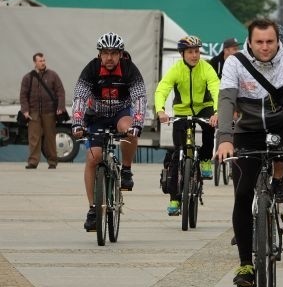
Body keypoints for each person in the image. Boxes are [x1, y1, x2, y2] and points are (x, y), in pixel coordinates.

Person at [216, 18, 283, 287]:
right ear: (249, 41)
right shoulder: (235, 62)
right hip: (247, 130)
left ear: (277, 40)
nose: (265, 47)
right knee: (243, 193)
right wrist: (224, 139)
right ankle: (246, 264)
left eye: (270, 41)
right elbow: (226, 100)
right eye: (259, 42)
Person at [71, 33, 146, 232]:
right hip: (96, 116)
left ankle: (127, 169)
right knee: (92, 158)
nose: (110, 57)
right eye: (106, 53)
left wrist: (138, 123)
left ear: (121, 54)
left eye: (114, 53)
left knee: (129, 130)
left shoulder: (130, 70)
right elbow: (79, 96)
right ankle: (93, 209)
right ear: (100, 54)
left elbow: (139, 98)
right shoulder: (91, 69)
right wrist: (77, 123)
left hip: (121, 113)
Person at [154, 36, 220, 215]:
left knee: (209, 128)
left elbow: (216, 88)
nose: (194, 55)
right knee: (177, 154)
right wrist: (160, 111)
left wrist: (216, 111)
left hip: (204, 108)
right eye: (190, 52)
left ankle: (206, 160)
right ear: (182, 53)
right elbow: (163, 88)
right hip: (182, 111)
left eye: (197, 51)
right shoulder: (176, 70)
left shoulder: (206, 68)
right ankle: (175, 199)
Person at [19, 52, 66, 169]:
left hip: (49, 112)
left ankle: (52, 162)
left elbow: (61, 92)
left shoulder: (53, 75)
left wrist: (60, 107)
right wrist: (25, 110)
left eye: (44, 60)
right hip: (33, 113)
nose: (43, 63)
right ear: (35, 62)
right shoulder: (28, 77)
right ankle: (33, 162)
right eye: (40, 61)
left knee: (50, 138)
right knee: (34, 138)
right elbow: (23, 95)